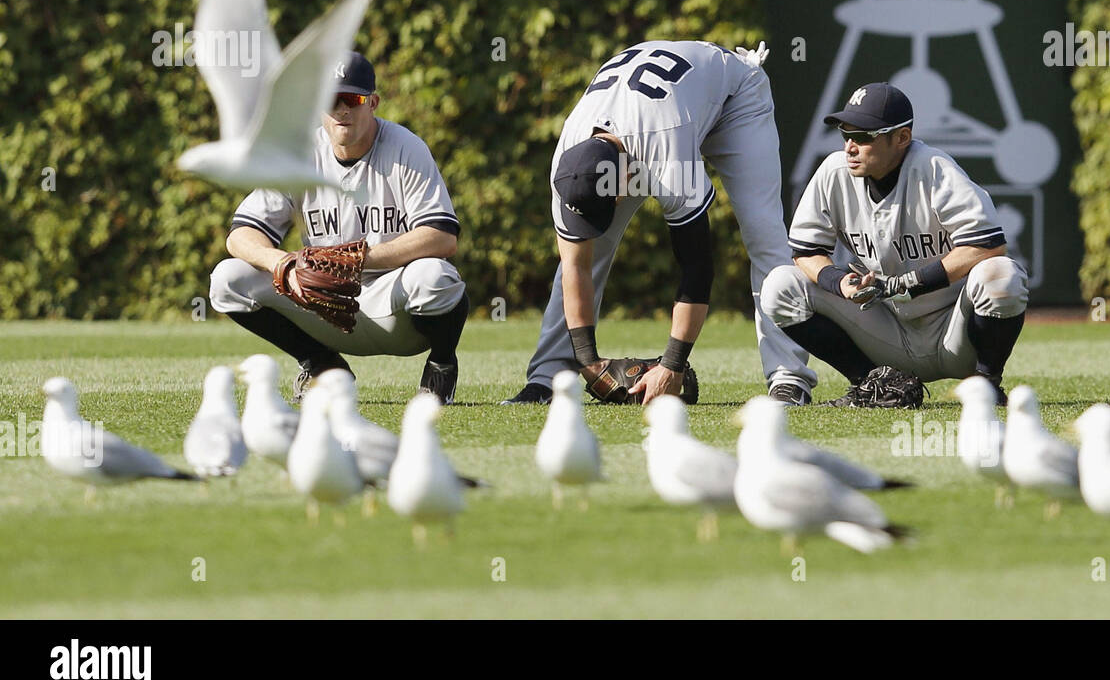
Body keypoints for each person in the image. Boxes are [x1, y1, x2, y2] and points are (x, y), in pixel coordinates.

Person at [502, 40, 817, 405]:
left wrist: (672, 364)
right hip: (658, 111)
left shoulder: (665, 152)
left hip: (733, 97)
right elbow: (575, 265)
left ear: (626, 180)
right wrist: (588, 360)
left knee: (763, 232)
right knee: (588, 248)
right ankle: (548, 379)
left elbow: (697, 266)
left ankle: (789, 379)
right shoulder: (567, 158)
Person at [209, 52, 469, 402]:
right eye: (332, 99)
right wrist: (282, 265)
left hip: (391, 301)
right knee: (228, 280)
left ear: (373, 102)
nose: (342, 109)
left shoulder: (406, 148)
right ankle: (321, 364)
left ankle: (441, 364)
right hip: (322, 301)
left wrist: (362, 259)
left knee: (434, 278)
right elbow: (241, 235)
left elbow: (442, 236)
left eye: (354, 99)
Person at [759, 82, 1028, 406]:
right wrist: (840, 282)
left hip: (954, 331)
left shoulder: (933, 169)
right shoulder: (834, 172)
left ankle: (986, 384)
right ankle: (873, 385)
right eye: (846, 135)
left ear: (901, 138)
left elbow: (987, 246)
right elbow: (806, 251)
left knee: (1001, 275)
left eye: (864, 137)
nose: (850, 147)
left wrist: (911, 282)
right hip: (885, 329)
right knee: (780, 285)